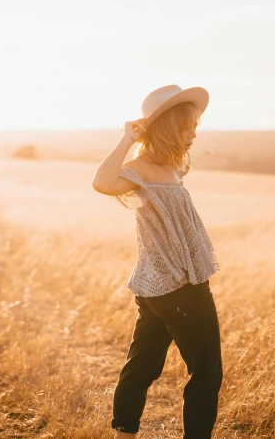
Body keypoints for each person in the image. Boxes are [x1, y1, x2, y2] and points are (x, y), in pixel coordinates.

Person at [92, 85, 223, 439]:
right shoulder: (141, 168)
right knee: (207, 372)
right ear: (168, 126)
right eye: (187, 126)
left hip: (156, 286)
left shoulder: (173, 168)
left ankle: (124, 434)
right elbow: (102, 182)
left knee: (143, 365)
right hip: (180, 287)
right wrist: (127, 139)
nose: (194, 133)